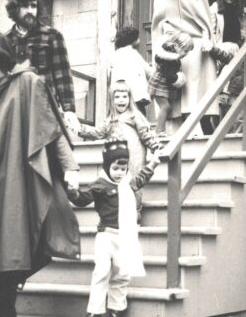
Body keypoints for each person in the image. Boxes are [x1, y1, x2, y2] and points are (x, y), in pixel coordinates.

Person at [0, 32, 81, 317]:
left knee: (7, 268)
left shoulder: (30, 84)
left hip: (15, 191)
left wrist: (71, 169)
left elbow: (52, 132)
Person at [67, 137, 160, 317]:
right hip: (106, 236)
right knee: (101, 272)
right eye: (115, 168)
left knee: (121, 274)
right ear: (107, 166)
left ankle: (117, 308)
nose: (119, 173)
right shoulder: (100, 185)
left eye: (123, 169)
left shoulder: (128, 182)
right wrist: (72, 193)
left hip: (125, 236)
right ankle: (95, 310)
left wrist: (153, 163)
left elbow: (142, 178)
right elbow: (83, 199)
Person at [151, 0, 219, 134]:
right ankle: (175, 132)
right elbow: (157, 23)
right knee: (175, 94)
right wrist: (164, 41)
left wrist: (206, 39)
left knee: (196, 92)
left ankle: (204, 131)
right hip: (173, 48)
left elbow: (206, 22)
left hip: (195, 48)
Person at [77, 80, 159, 217]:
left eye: (125, 96)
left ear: (130, 98)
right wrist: (79, 129)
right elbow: (97, 133)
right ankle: (118, 216)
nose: (121, 100)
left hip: (134, 157)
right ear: (112, 100)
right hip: (117, 159)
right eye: (117, 97)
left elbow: (146, 134)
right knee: (117, 185)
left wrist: (155, 147)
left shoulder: (135, 116)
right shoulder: (110, 120)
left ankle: (135, 215)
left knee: (134, 184)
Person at [5, 0, 80, 132]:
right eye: (25, 6)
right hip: (16, 110)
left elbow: (63, 75)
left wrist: (69, 110)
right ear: (14, 9)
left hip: (45, 108)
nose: (30, 11)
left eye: (33, 6)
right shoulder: (6, 40)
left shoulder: (52, 36)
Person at [210, 0, 246, 130]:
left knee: (236, 84)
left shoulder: (241, 10)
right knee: (222, 86)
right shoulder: (215, 9)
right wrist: (214, 49)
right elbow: (211, 31)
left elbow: (243, 29)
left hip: (238, 48)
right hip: (222, 48)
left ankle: (235, 125)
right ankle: (219, 126)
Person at [148, 30, 194, 136]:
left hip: (162, 83)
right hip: (160, 83)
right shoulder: (170, 58)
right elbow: (168, 75)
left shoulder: (170, 54)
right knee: (165, 106)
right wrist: (177, 79)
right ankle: (159, 131)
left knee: (166, 106)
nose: (186, 54)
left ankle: (161, 129)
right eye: (185, 51)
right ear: (177, 45)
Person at [110, 27, 152, 115]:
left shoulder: (115, 55)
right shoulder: (134, 54)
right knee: (140, 117)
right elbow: (148, 71)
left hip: (121, 94)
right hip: (136, 95)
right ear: (132, 40)